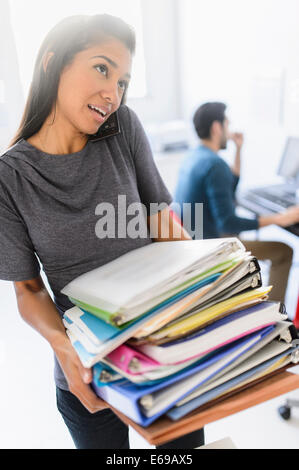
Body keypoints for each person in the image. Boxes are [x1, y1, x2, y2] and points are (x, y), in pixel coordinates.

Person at [0, 14, 204, 449]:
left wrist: (213, 290)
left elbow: (163, 226)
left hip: (163, 349)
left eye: (123, 81)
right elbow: (29, 292)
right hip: (87, 369)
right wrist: (64, 348)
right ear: (53, 64)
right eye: (101, 68)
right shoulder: (9, 179)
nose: (112, 93)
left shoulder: (123, 128)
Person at [174, 102, 299, 303]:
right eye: (227, 125)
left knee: (240, 233)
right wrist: (279, 218)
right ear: (217, 127)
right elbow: (227, 222)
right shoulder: (216, 165)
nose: (229, 131)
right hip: (210, 248)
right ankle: (274, 316)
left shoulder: (194, 157)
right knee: (284, 251)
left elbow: (228, 188)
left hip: (192, 240)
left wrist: (238, 150)